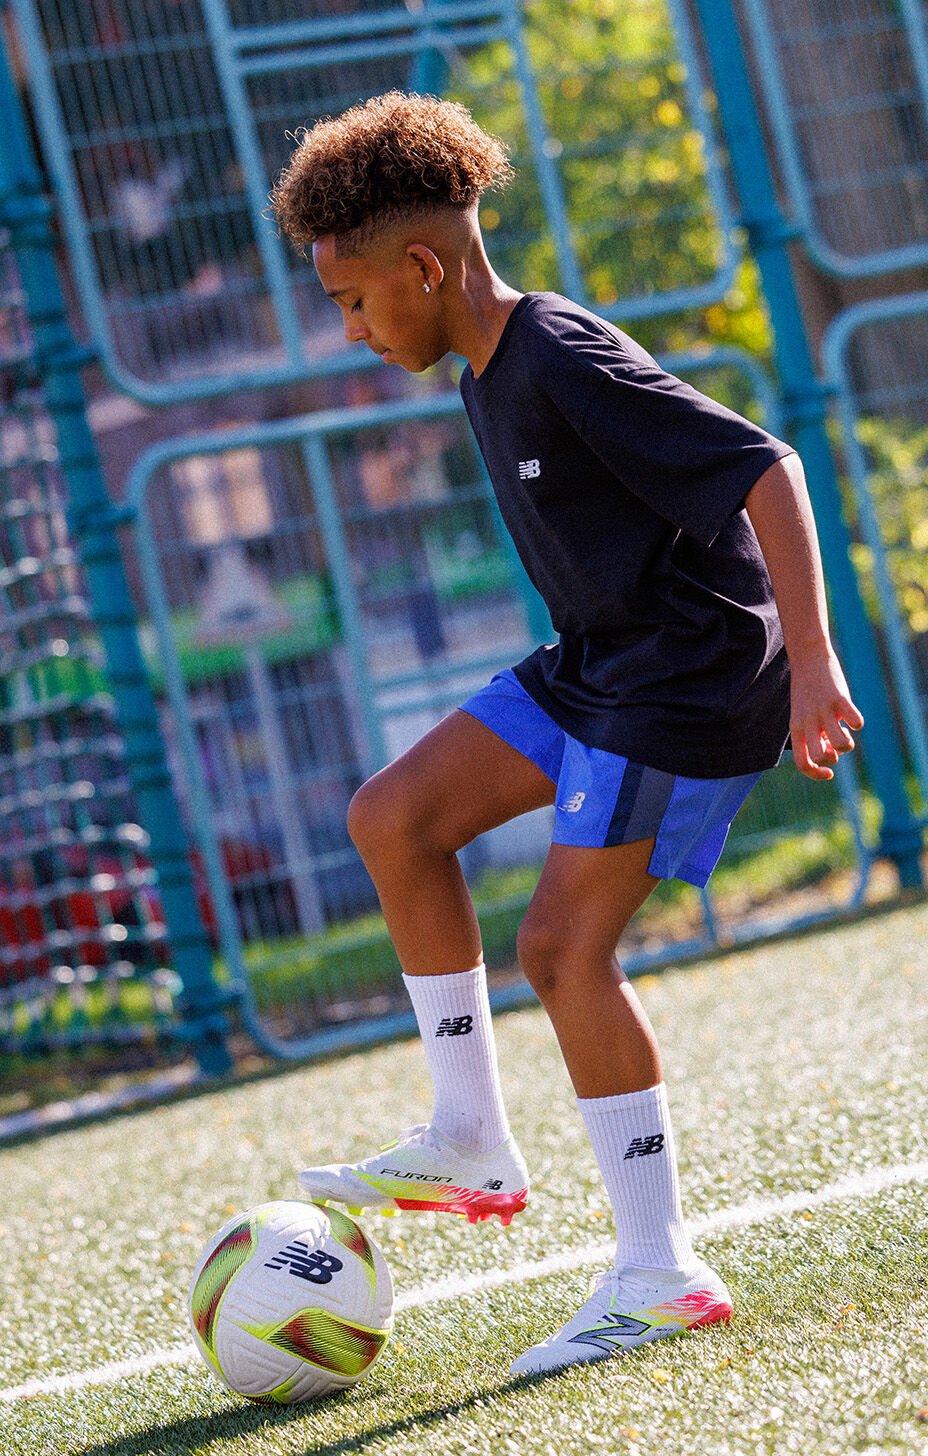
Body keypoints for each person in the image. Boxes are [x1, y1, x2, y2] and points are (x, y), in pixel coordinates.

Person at [269, 91, 863, 1377]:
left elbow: (767, 467)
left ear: (424, 267)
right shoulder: (482, 371)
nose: (354, 329)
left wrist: (814, 664)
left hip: (694, 681)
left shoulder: (558, 354)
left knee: (559, 947)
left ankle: (659, 1272)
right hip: (605, 660)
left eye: (355, 302)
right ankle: (471, 1132)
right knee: (394, 816)